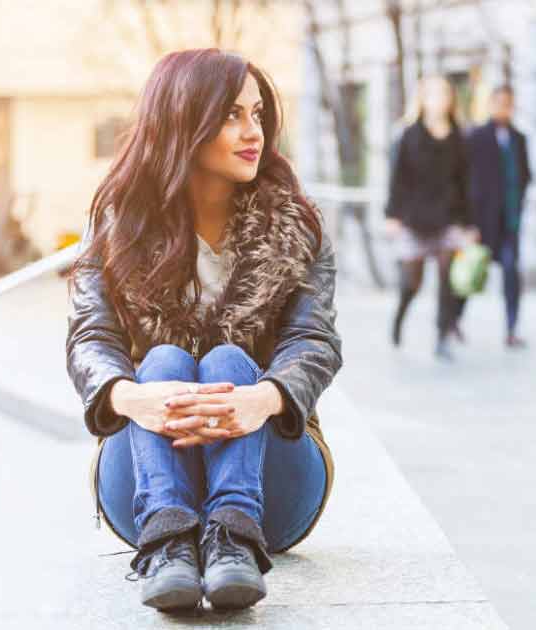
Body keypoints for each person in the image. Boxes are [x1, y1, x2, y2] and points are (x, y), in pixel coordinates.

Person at [66, 49, 342, 610]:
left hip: (272, 482)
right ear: (183, 121)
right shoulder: (118, 227)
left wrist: (261, 399)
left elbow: (314, 341)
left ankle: (234, 535)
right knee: (164, 361)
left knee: (228, 364)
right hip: (144, 482)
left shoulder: (298, 228)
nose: (253, 132)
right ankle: (168, 541)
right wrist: (133, 397)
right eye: (232, 115)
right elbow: (89, 338)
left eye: (258, 114)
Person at [386, 76, 477, 361]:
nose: (439, 99)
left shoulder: (459, 137)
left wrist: (470, 224)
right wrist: (393, 215)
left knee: (448, 280)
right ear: (423, 99)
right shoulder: (409, 134)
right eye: (433, 94)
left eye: (444, 94)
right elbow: (398, 178)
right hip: (415, 218)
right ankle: (400, 314)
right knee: (412, 283)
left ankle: (442, 337)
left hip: (449, 218)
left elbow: (466, 182)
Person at [462, 85, 533, 348]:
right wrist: (469, 221)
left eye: (509, 103)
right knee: (471, 273)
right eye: (500, 102)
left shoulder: (519, 138)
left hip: (510, 222)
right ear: (491, 105)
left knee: (511, 272)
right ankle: (454, 320)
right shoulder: (477, 136)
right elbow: (467, 180)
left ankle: (512, 328)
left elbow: (525, 174)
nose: (505, 108)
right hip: (481, 222)